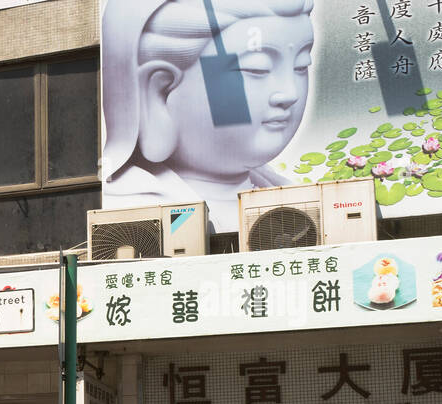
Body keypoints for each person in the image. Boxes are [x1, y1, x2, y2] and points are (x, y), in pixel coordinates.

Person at [101, 0, 315, 232]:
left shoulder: (293, 194)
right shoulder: (132, 213)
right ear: (160, 92)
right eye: (257, 69)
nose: (290, 93)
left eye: (301, 66)